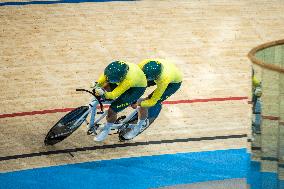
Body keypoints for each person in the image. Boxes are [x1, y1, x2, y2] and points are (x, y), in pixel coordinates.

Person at [122, 59, 183, 139]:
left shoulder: (164, 80)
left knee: (146, 102)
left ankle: (139, 126)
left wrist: (138, 104)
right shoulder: (141, 66)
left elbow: (152, 102)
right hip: (161, 72)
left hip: (173, 83)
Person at [92, 60, 147, 141]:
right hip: (126, 78)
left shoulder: (128, 80)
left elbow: (114, 94)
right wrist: (97, 85)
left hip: (136, 89)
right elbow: (102, 80)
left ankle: (106, 130)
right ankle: (133, 103)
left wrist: (105, 94)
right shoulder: (111, 70)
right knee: (104, 87)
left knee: (112, 110)